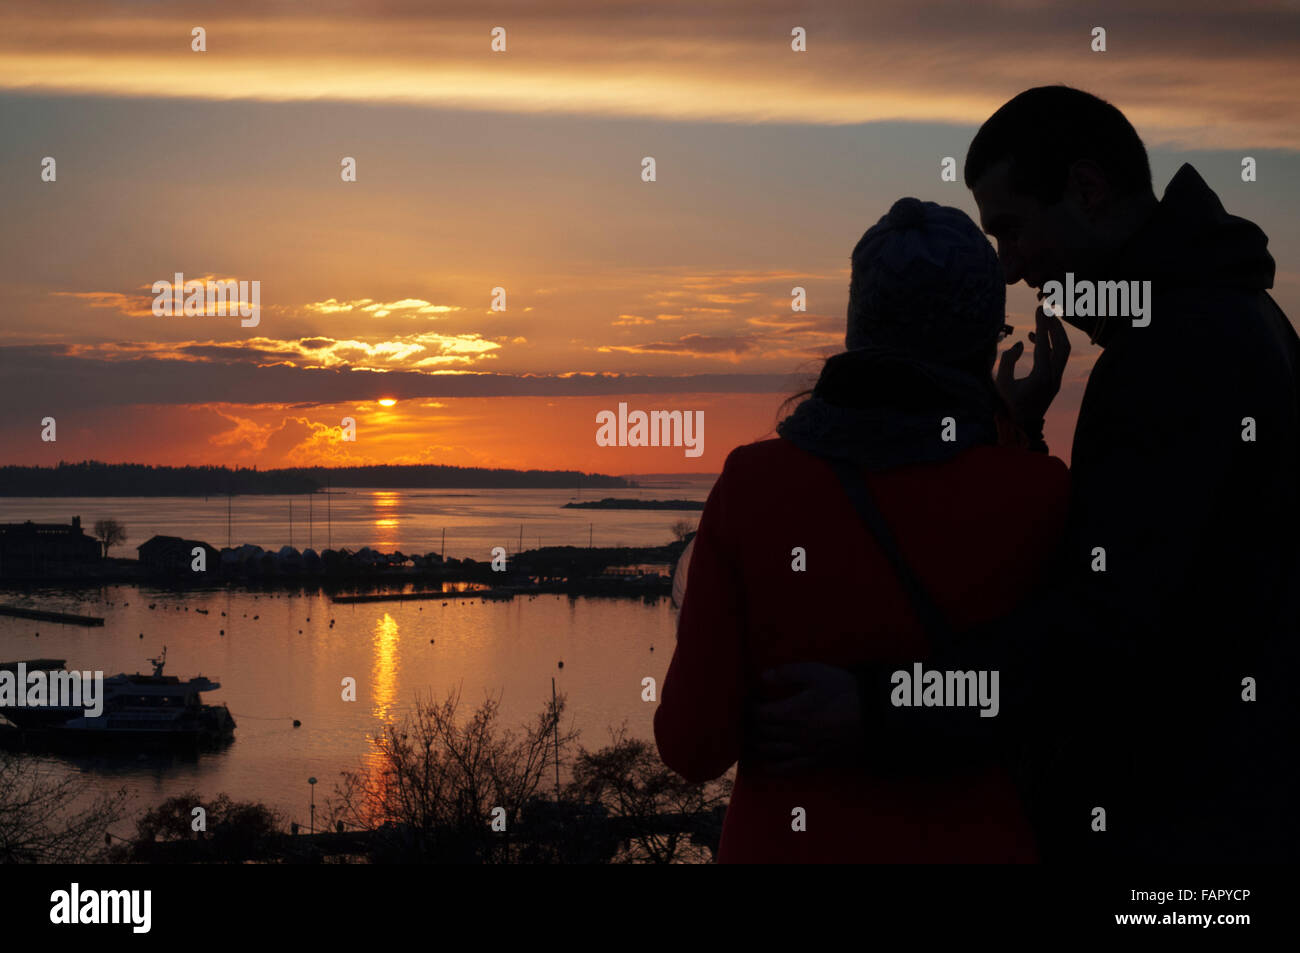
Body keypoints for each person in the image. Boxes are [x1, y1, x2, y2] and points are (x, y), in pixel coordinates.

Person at [748, 86, 1300, 863]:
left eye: (1010, 229)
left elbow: (1103, 633)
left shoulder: (1177, 353)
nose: (1008, 267)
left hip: (1185, 838)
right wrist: (1022, 428)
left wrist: (878, 705)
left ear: (1087, 189)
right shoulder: (1237, 319)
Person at [654, 196, 1070, 862]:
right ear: (983, 339)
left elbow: (692, 744)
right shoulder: (1043, 493)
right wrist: (1017, 431)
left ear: (856, 327)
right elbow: (1065, 697)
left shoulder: (753, 486)